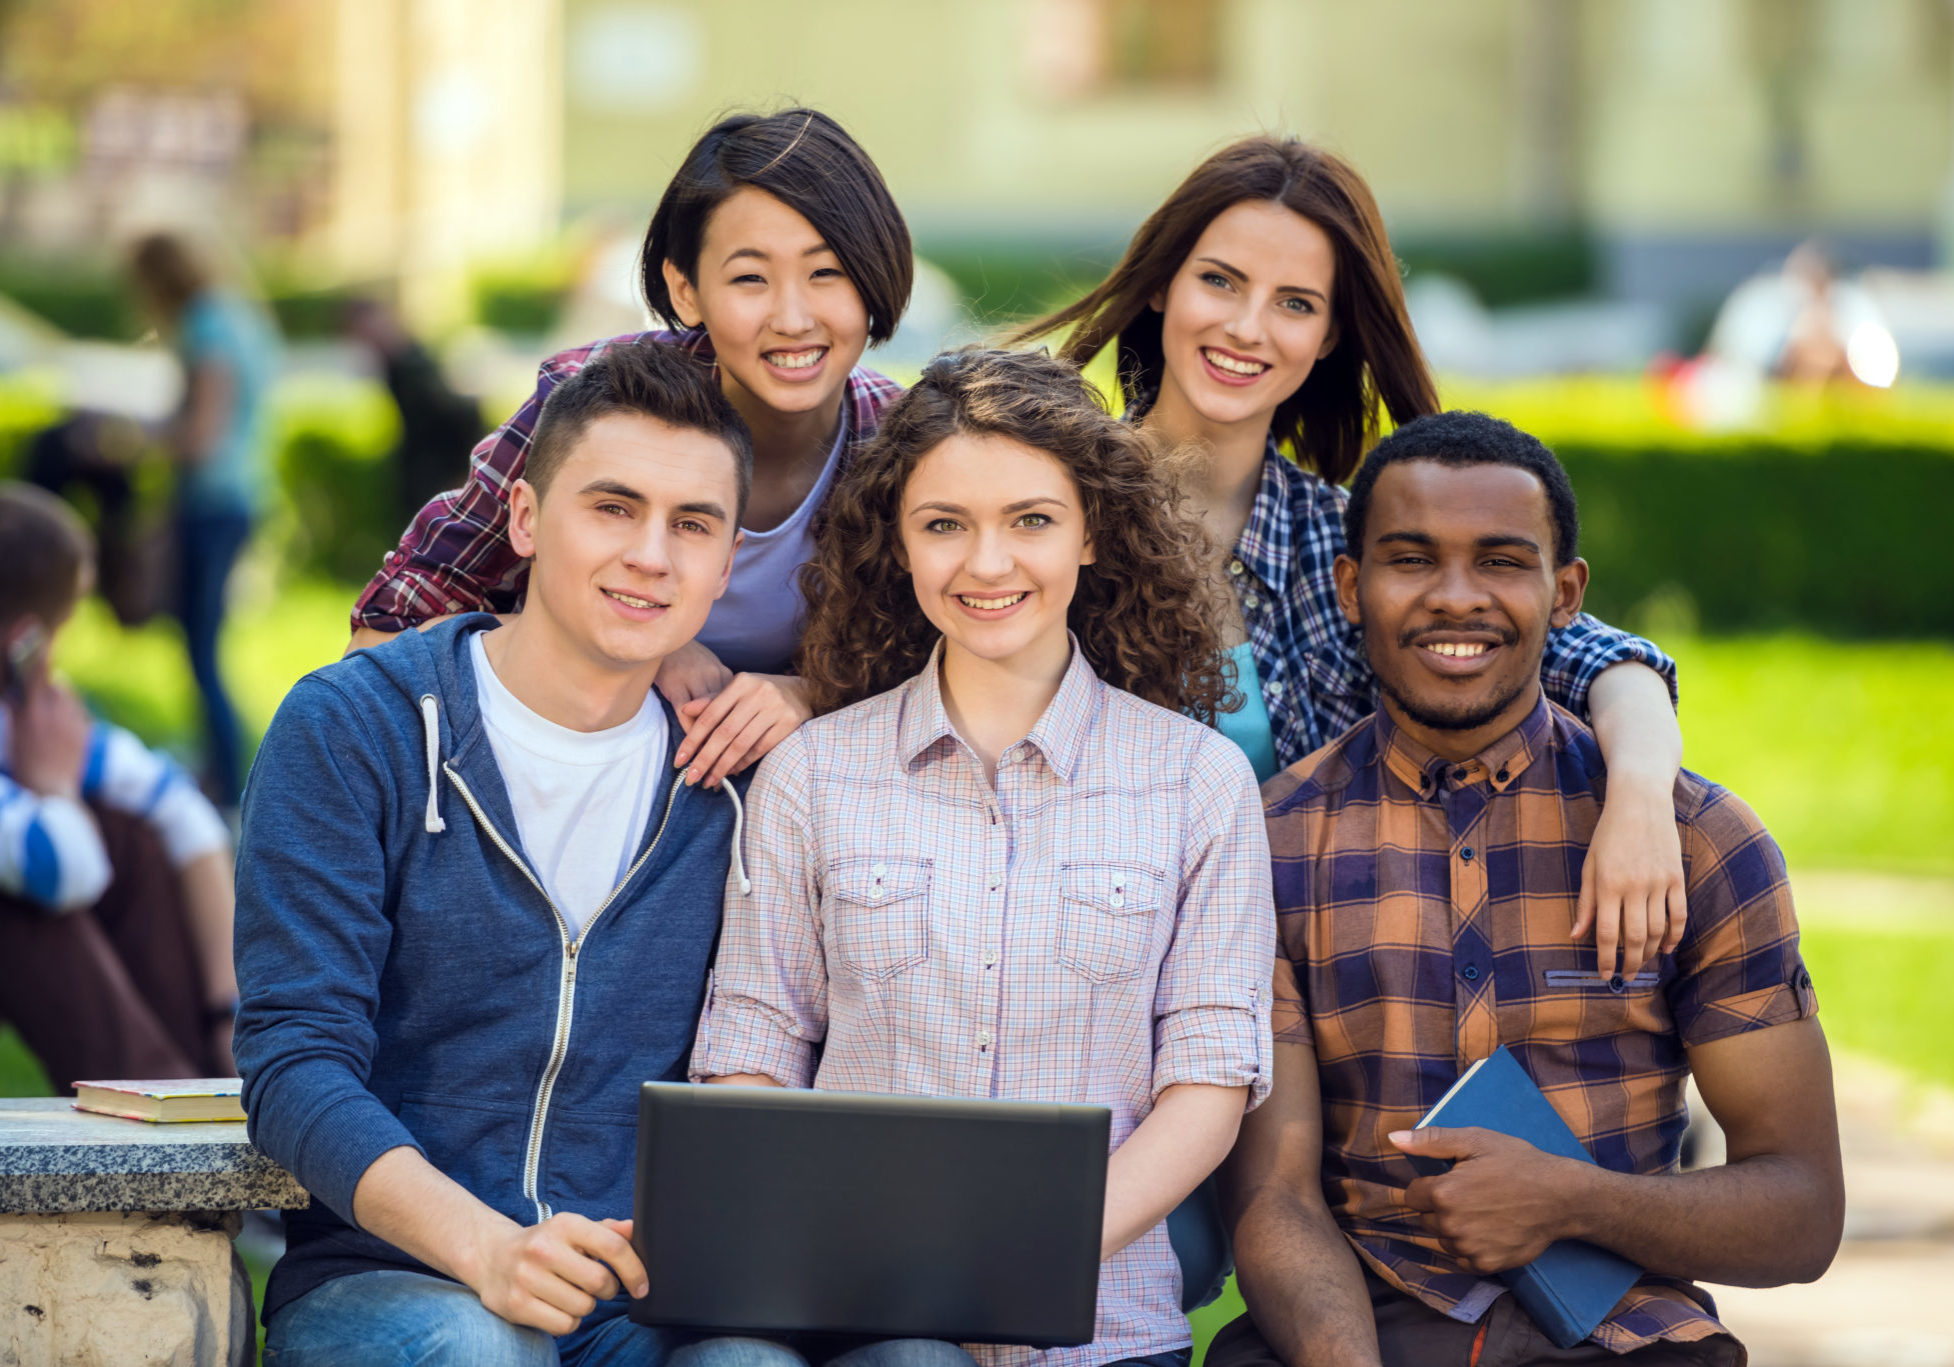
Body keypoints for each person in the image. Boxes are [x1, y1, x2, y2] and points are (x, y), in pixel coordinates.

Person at [1213, 412, 1844, 1367]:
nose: (1456, 598)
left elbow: (1801, 1208)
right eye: (1411, 559)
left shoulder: (1699, 841)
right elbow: (1277, 1195)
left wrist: (1574, 1199)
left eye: (1502, 561)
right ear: (1352, 587)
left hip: (1626, 1335)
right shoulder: (1266, 847)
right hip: (1352, 1325)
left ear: (1566, 593)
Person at [689, 349, 1275, 1367]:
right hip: (858, 1321)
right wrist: (860, 1263)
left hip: (1104, 1330)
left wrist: (1012, 1259)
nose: (986, 563)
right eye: (944, 524)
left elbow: (1208, 1085)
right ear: (898, 542)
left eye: (1030, 520)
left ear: (1092, 530)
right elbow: (752, 1049)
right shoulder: (814, 775)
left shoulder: (1199, 780)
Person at [1013, 138, 1685, 989]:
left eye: (1294, 303)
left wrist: (1639, 797)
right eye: (1219, 280)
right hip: (1069, 993)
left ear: (1330, 335)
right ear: (1161, 286)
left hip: (1310, 1005)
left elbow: (1598, 657)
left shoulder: (1345, 545)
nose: (1246, 327)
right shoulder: (1042, 514)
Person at [235, 342, 753, 1367]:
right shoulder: (356, 728)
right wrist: (489, 1247)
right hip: (394, 1278)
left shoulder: (732, 782)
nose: (652, 553)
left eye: (692, 524)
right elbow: (294, 1060)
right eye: (612, 506)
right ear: (522, 518)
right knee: (480, 1347)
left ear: (726, 563)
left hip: (633, 1303)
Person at [349, 107, 912, 791]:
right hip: (554, 780)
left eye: (827, 274)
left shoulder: (898, 439)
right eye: (749, 278)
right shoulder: (598, 401)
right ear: (686, 289)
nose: (792, 318)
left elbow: (952, 660)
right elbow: (391, 624)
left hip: (779, 817)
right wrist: (629, 641)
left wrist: (813, 695)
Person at [0, 482, 238, 1084]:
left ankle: (217, 1088)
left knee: (133, 836)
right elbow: (69, 871)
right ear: (23, 640)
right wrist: (53, 787)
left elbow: (184, 810)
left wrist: (228, 1011)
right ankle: (161, 1128)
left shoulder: (19, 718)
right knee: (32, 901)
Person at [127, 231, 281, 811]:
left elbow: (200, 435)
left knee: (200, 647)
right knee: (203, 641)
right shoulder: (238, 315)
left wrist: (134, 437)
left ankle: (228, 777)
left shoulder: (206, 327)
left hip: (211, 502)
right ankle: (220, 768)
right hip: (239, 496)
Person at [342, 296, 487, 526]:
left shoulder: (413, 367)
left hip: (436, 478)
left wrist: (460, 473)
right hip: (424, 479)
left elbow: (454, 416)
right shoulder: (401, 364)